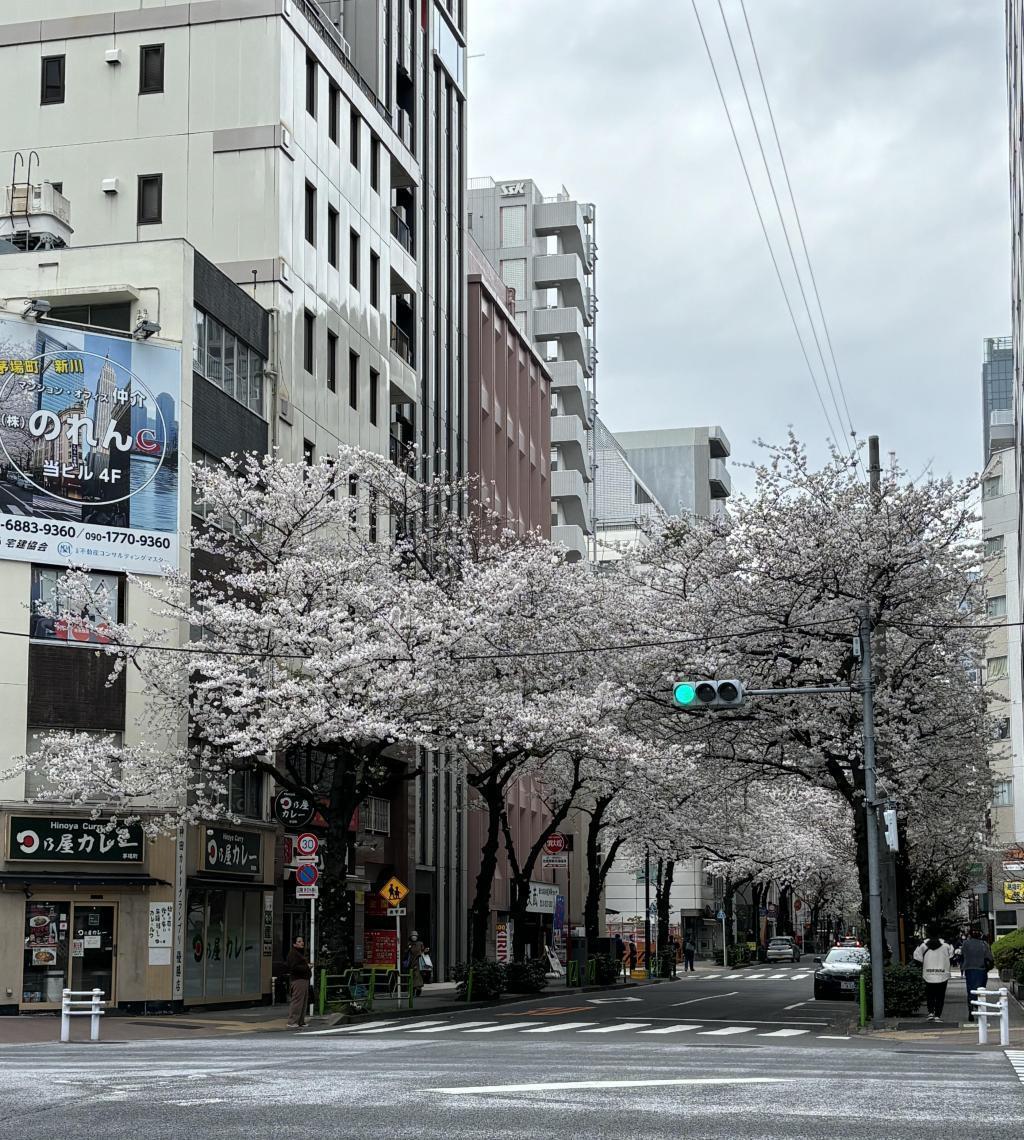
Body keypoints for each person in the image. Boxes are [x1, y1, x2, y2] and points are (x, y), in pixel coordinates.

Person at [912, 927, 954, 1022]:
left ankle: (930, 1012)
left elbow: (917, 958)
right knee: (940, 996)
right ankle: (938, 1015)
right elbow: (951, 957)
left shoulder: (922, 945)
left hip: (928, 974)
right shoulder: (947, 944)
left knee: (930, 994)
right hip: (943, 974)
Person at [959, 927, 995, 1021]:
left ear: (970, 934)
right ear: (980, 935)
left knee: (970, 989)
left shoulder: (965, 943)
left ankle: (970, 1009)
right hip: (981, 969)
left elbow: (962, 955)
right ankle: (979, 1008)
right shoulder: (984, 944)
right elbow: (990, 958)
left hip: (969, 969)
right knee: (980, 990)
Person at [285, 935, 312, 1029]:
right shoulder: (293, 954)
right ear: (294, 944)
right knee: (297, 1000)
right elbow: (294, 968)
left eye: (302, 941)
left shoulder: (298, 953)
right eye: (299, 941)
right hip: (298, 979)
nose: (302, 943)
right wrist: (307, 967)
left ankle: (300, 1021)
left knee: (303, 1001)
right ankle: (292, 1021)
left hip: (302, 979)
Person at [407, 930, 429, 996]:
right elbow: (406, 953)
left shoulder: (420, 943)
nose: (414, 937)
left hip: (418, 962)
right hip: (411, 962)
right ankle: (413, 990)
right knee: (412, 976)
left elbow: (423, 951)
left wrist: (426, 951)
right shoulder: (409, 944)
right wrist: (408, 949)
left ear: (417, 937)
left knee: (417, 976)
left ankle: (417, 988)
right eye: (412, 936)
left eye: (415, 936)